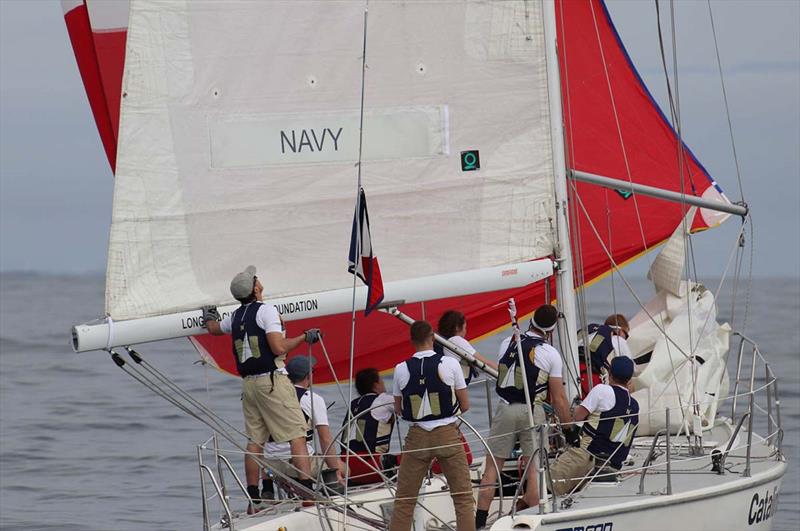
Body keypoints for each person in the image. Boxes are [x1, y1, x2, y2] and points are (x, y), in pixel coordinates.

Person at [202, 265, 319, 512]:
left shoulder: (235, 317)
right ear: (256, 287)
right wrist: (304, 337)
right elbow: (278, 348)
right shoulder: (267, 311)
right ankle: (308, 493)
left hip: (249, 385)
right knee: (297, 435)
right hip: (272, 381)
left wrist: (208, 316)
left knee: (255, 441)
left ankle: (254, 500)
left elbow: (213, 329)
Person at [475, 304, 573, 529]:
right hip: (532, 412)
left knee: (491, 470)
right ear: (551, 329)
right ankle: (530, 522)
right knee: (535, 471)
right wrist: (569, 429)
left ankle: (479, 523)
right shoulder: (550, 354)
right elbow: (558, 398)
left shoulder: (506, 343)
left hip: (505, 409)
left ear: (532, 320)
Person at [390, 320, 475, 531]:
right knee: (463, 497)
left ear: (412, 341)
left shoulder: (400, 369)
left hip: (417, 437)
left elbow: (399, 409)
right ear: (432, 338)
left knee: (404, 500)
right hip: (447, 434)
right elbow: (464, 405)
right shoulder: (450, 364)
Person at [549, 356, 639, 495]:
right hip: (612, 465)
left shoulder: (602, 390)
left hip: (586, 457)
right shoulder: (634, 405)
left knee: (541, 489)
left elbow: (576, 417)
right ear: (629, 379)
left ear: (610, 374)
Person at [264, 355, 346, 488]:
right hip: (295, 463)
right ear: (308, 376)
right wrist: (336, 472)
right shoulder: (312, 399)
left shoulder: (271, 396)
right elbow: (325, 439)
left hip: (270, 463)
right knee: (344, 468)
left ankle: (268, 490)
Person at [342, 368, 396, 485]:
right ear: (376, 384)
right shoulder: (383, 400)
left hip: (345, 465)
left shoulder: (353, 404)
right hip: (371, 464)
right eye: (381, 380)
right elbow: (408, 408)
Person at [434, 310, 498, 385]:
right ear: (457, 328)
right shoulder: (457, 341)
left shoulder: (439, 342)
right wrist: (505, 374)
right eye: (465, 328)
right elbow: (486, 363)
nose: (465, 331)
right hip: (455, 388)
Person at [579, 313, 632, 396]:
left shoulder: (592, 333)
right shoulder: (618, 340)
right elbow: (631, 368)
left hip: (574, 374)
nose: (625, 338)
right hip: (592, 382)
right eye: (626, 334)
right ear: (620, 330)